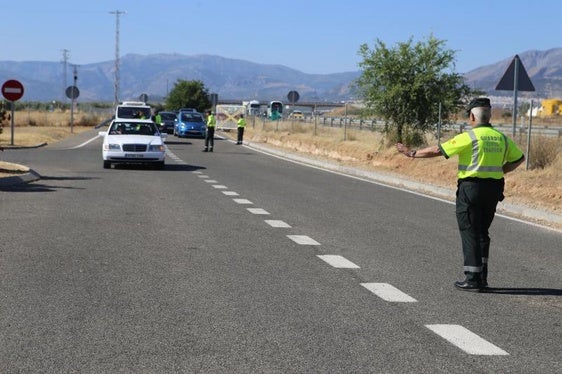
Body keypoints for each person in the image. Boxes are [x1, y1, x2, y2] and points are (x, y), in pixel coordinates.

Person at [395, 97, 525, 292]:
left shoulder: (469, 137)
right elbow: (519, 158)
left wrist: (411, 153)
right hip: (494, 189)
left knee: (469, 230)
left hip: (471, 189)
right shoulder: (502, 138)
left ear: (472, 116)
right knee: (482, 232)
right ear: (488, 116)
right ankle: (482, 277)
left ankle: (472, 278)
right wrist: (499, 171)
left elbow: (439, 150)